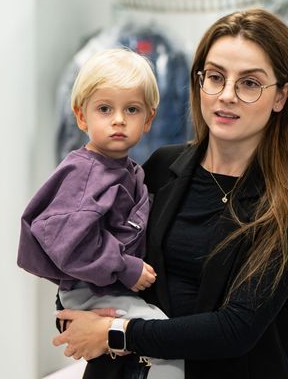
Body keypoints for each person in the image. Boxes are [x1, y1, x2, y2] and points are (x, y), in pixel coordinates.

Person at [52, 8, 288, 379]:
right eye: (215, 77)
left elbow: (234, 330)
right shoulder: (160, 167)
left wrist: (115, 333)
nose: (227, 96)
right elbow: (86, 260)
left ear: (282, 96)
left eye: (249, 83)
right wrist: (80, 318)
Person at [17, 48, 184, 378]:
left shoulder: (126, 169)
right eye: (105, 109)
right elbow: (67, 240)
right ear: (82, 117)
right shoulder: (84, 173)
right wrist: (125, 267)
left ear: (149, 119)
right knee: (164, 338)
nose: (118, 119)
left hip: (105, 288)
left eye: (131, 109)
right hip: (89, 291)